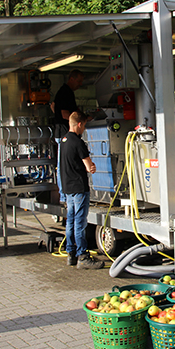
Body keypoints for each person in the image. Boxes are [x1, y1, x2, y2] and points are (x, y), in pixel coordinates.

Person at [60, 110, 104, 269]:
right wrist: (92, 167)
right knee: (80, 222)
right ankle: (83, 256)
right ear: (79, 124)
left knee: (70, 221)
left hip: (68, 188)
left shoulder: (64, 141)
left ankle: (71, 254)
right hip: (79, 187)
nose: (84, 129)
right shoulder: (78, 143)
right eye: (84, 125)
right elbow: (89, 166)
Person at [54, 69, 84, 205]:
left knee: (68, 165)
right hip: (63, 134)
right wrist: (79, 118)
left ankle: (66, 194)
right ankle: (63, 196)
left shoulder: (67, 93)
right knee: (63, 166)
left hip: (64, 134)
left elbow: (53, 106)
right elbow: (65, 114)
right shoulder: (64, 92)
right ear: (71, 78)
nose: (80, 85)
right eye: (78, 81)